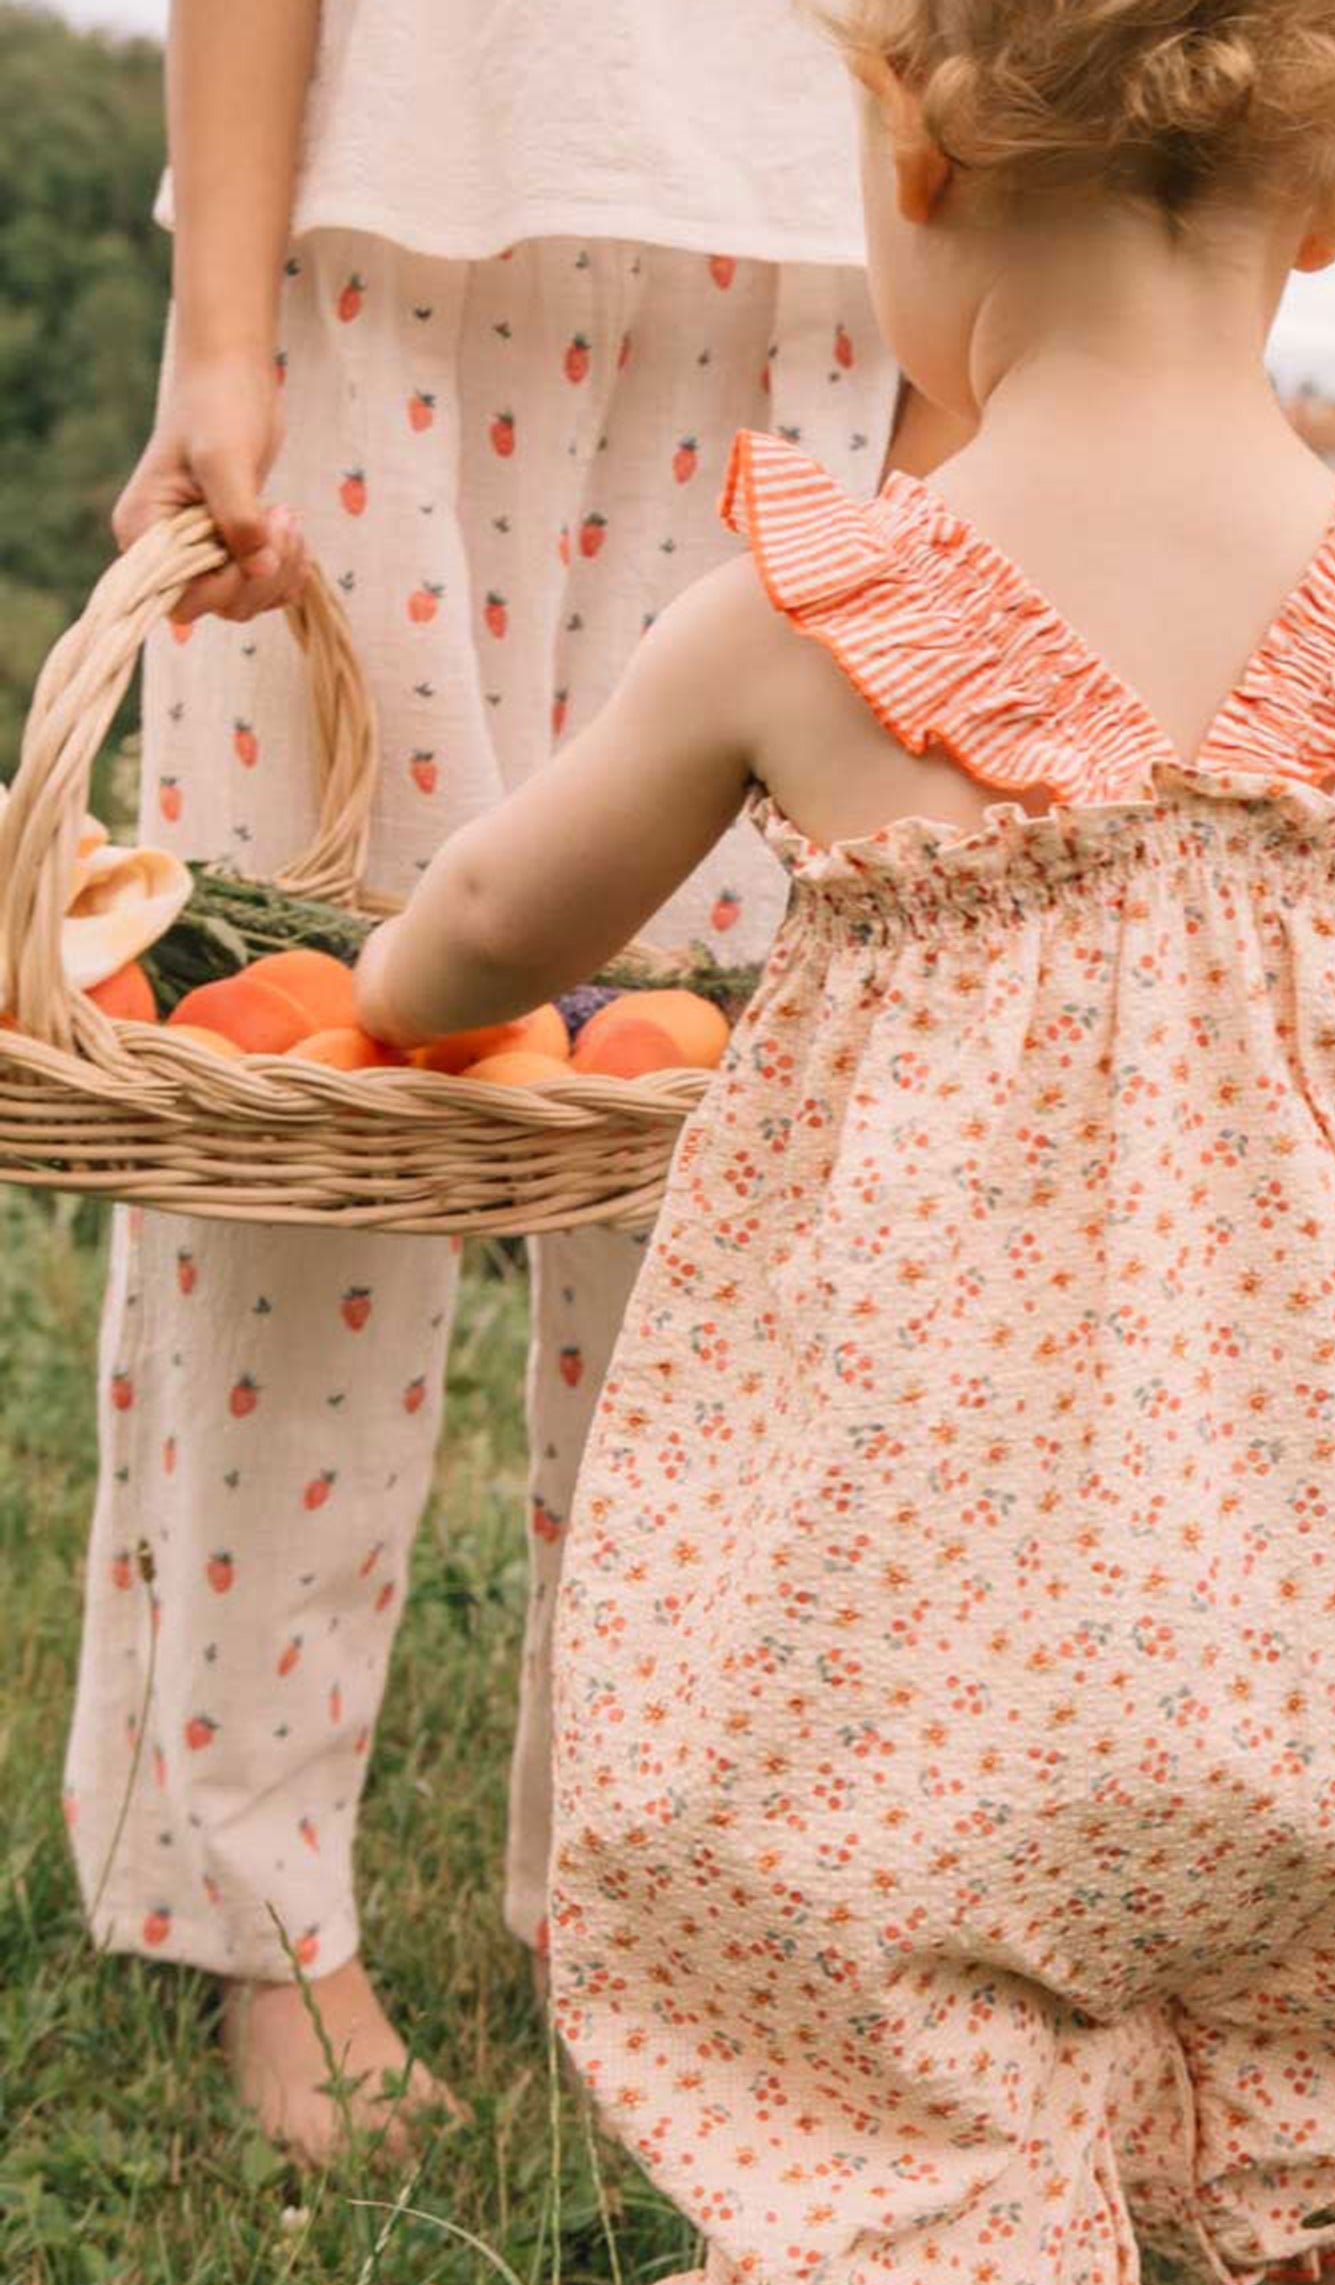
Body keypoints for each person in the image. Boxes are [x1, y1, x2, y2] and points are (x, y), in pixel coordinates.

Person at [353, 4, 1335, 2285]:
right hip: (1332, 1582)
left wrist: (401, 978)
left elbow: (502, 914)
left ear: (915, 170)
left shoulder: (829, 606)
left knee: (898, 2072)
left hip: (916, 1617)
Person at [69, 0, 905, 2162]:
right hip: (398, 233)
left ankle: (641, 1900)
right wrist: (222, 333)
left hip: (818, 272)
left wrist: (964, 356)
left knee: (711, 1137)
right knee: (308, 1107)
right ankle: (261, 1913)